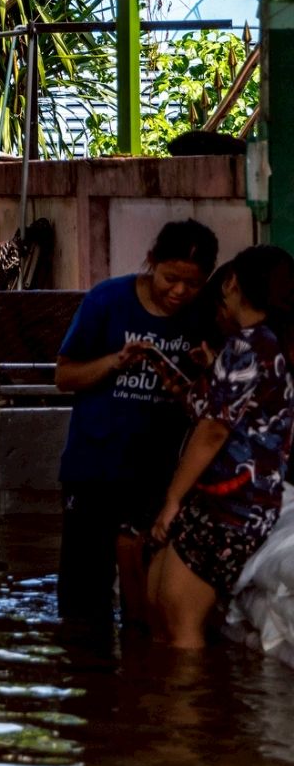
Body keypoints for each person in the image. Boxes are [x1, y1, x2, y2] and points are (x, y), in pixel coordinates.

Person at [53, 219, 220, 625]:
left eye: (193, 284)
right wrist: (115, 361)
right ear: (151, 263)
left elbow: (211, 408)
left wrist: (193, 381)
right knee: (82, 601)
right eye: (170, 278)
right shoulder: (107, 300)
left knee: (145, 605)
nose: (179, 292)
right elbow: (64, 376)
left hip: (159, 479)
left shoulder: (204, 318)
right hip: (94, 469)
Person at [149, 245, 294, 648]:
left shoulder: (251, 346)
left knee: (180, 617)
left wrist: (173, 498)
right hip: (223, 500)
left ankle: (186, 707)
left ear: (231, 283)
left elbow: (214, 430)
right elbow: (216, 410)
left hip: (233, 505)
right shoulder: (254, 345)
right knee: (162, 603)